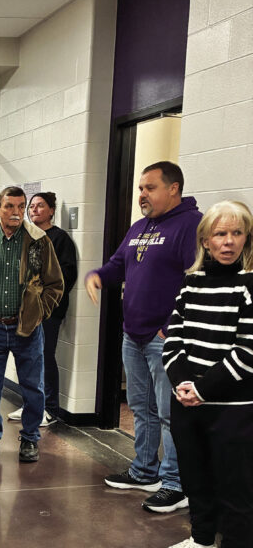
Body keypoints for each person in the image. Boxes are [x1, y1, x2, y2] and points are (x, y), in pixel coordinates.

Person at [86, 161, 202, 513]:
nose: (142, 195)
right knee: (141, 408)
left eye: (150, 188)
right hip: (132, 334)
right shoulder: (139, 227)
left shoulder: (191, 225)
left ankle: (176, 484)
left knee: (170, 413)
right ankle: (144, 471)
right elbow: (119, 264)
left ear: (173, 188)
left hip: (164, 337)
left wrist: (171, 326)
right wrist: (98, 275)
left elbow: (196, 280)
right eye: (140, 188)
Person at [156, 200, 253, 548]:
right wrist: (182, 382)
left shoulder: (248, 285)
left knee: (234, 485)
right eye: (220, 234)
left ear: (246, 239)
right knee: (195, 477)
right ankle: (201, 542)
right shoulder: (192, 282)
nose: (228, 242)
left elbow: (248, 351)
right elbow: (173, 338)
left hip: (232, 408)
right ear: (206, 240)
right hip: (188, 403)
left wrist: (202, 388)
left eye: (236, 233)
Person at [0, 186, 63, 463]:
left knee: (33, 387)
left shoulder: (39, 241)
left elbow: (55, 284)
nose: (16, 212)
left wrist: (39, 312)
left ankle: (30, 438)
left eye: (21, 206)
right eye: (9, 206)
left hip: (27, 329)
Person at [8, 191, 77, 425]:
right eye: (31, 206)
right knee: (27, 358)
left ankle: (49, 409)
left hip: (47, 310)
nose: (34, 210)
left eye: (40, 206)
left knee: (44, 356)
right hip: (23, 309)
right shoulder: (26, 236)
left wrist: (42, 298)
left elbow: (65, 276)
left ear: (51, 211)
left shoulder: (59, 239)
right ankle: (30, 405)